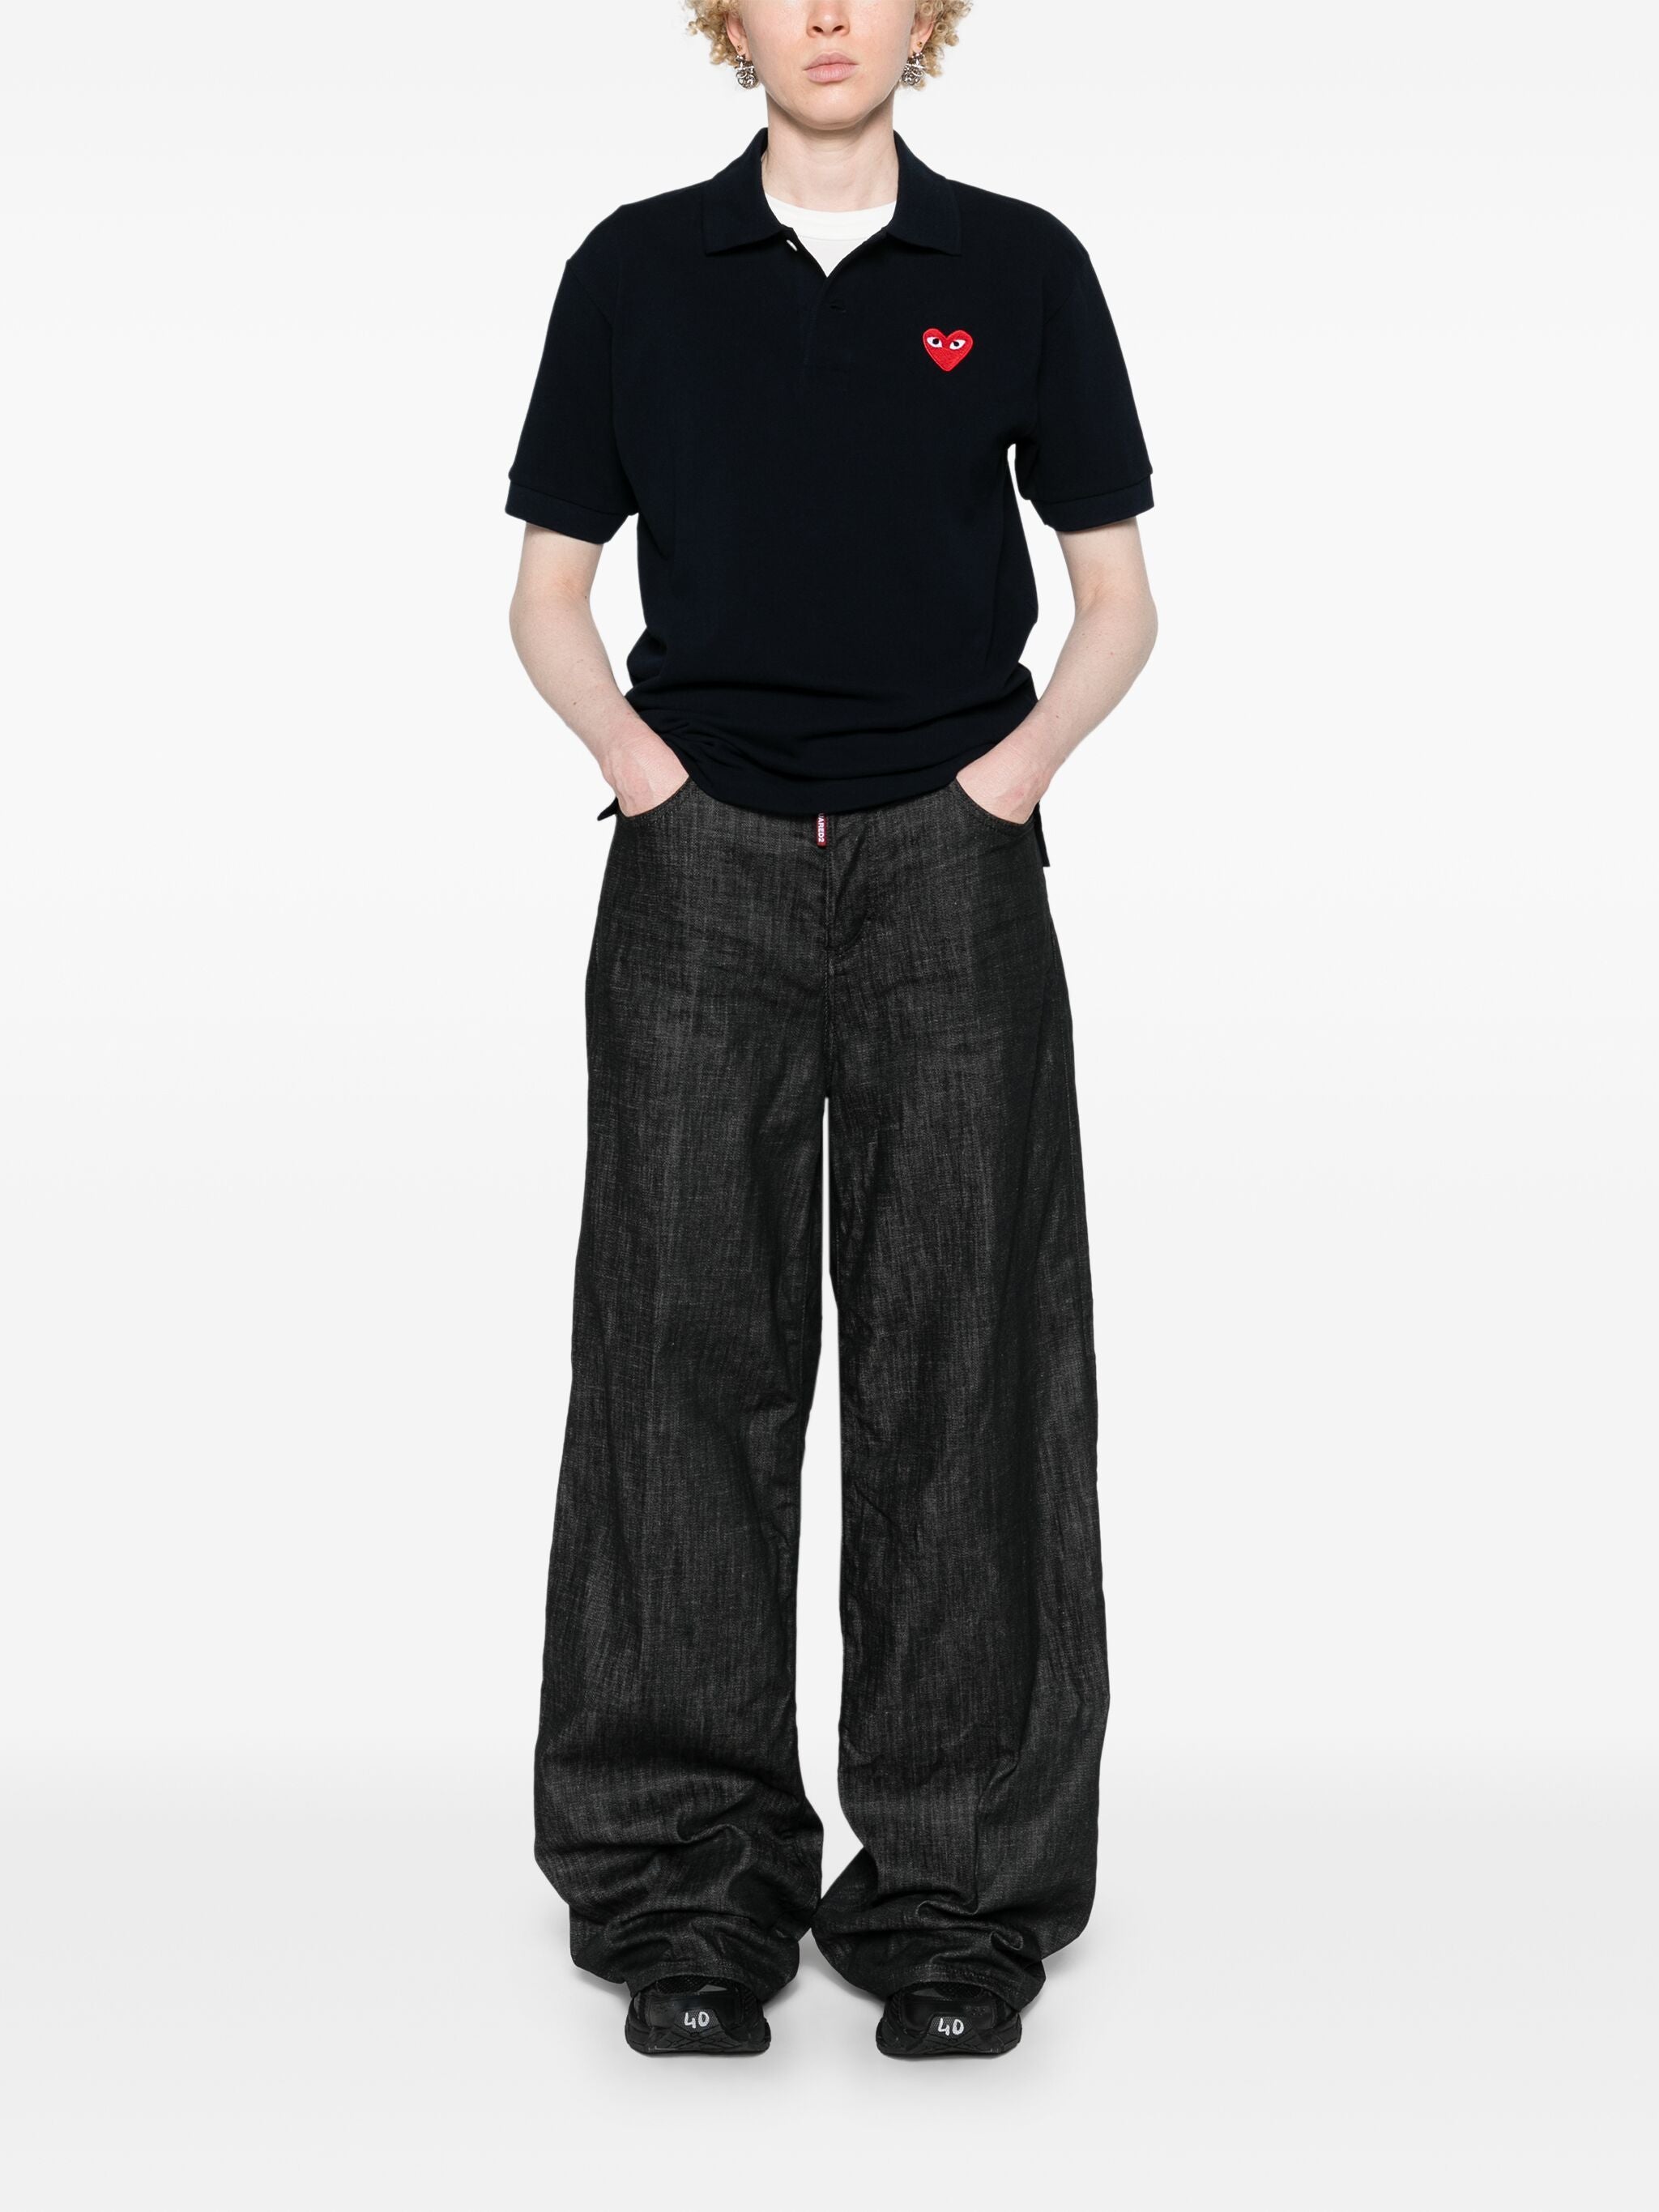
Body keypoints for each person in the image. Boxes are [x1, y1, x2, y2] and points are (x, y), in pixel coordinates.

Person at [504, 0, 1158, 2062]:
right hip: (697, 865)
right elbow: (546, 593)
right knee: (677, 1354)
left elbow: (1118, 598)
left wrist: (1003, 786)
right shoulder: (636, 270)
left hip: (949, 871)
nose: (826, 16)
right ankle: (686, 1888)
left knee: (967, 1358)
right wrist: (644, 777)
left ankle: (955, 1897)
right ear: (730, 18)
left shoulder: (1019, 267)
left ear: (923, 18)